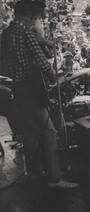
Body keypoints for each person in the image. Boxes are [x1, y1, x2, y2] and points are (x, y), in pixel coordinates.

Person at [0, 0, 77, 188]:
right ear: (27, 15)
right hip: (32, 89)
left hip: (18, 88)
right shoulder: (26, 33)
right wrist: (52, 79)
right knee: (49, 131)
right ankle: (54, 178)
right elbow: (43, 61)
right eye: (34, 16)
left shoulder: (6, 33)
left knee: (29, 133)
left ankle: (34, 172)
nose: (36, 19)